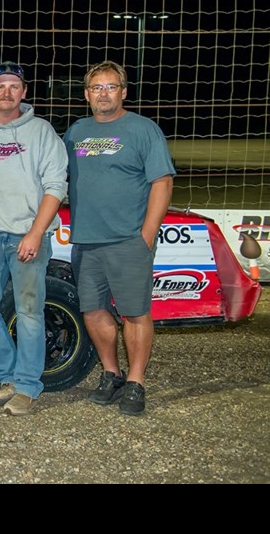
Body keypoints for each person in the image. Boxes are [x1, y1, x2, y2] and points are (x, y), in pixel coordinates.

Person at [64, 60, 175, 416]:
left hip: (129, 240)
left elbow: (162, 182)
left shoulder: (143, 130)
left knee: (135, 312)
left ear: (124, 92)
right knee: (94, 312)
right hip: (86, 240)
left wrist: (146, 235)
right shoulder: (76, 132)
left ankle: (136, 382)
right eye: (97, 88)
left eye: (111, 87)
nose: (104, 94)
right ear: (86, 94)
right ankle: (112, 373)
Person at [0, 61, 68, 417]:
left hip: (27, 235)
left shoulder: (41, 131)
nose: (7, 92)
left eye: (14, 86)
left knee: (29, 312)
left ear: (24, 92)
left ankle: (28, 386)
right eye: (0, 86)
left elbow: (56, 186)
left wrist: (35, 233)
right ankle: (9, 376)